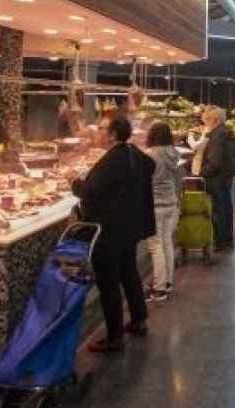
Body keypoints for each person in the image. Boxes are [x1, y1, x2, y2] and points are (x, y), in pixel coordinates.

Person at [72, 116, 155, 353]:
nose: (96, 131)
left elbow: (90, 192)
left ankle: (114, 336)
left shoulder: (112, 159)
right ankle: (138, 319)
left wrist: (74, 182)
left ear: (112, 134)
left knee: (109, 283)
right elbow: (151, 167)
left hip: (109, 230)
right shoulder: (132, 153)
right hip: (129, 227)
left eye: (101, 128)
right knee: (129, 273)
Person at [144, 122, 183, 303]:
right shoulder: (172, 152)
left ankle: (158, 289)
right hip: (171, 202)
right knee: (167, 242)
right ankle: (167, 282)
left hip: (156, 204)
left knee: (155, 246)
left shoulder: (151, 154)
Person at [201, 106, 235, 253]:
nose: (205, 123)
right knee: (226, 208)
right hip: (226, 178)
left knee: (219, 211)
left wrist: (202, 172)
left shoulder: (217, 136)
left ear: (214, 120)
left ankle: (221, 241)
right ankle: (227, 239)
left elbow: (214, 162)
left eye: (207, 120)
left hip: (217, 180)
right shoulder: (227, 132)